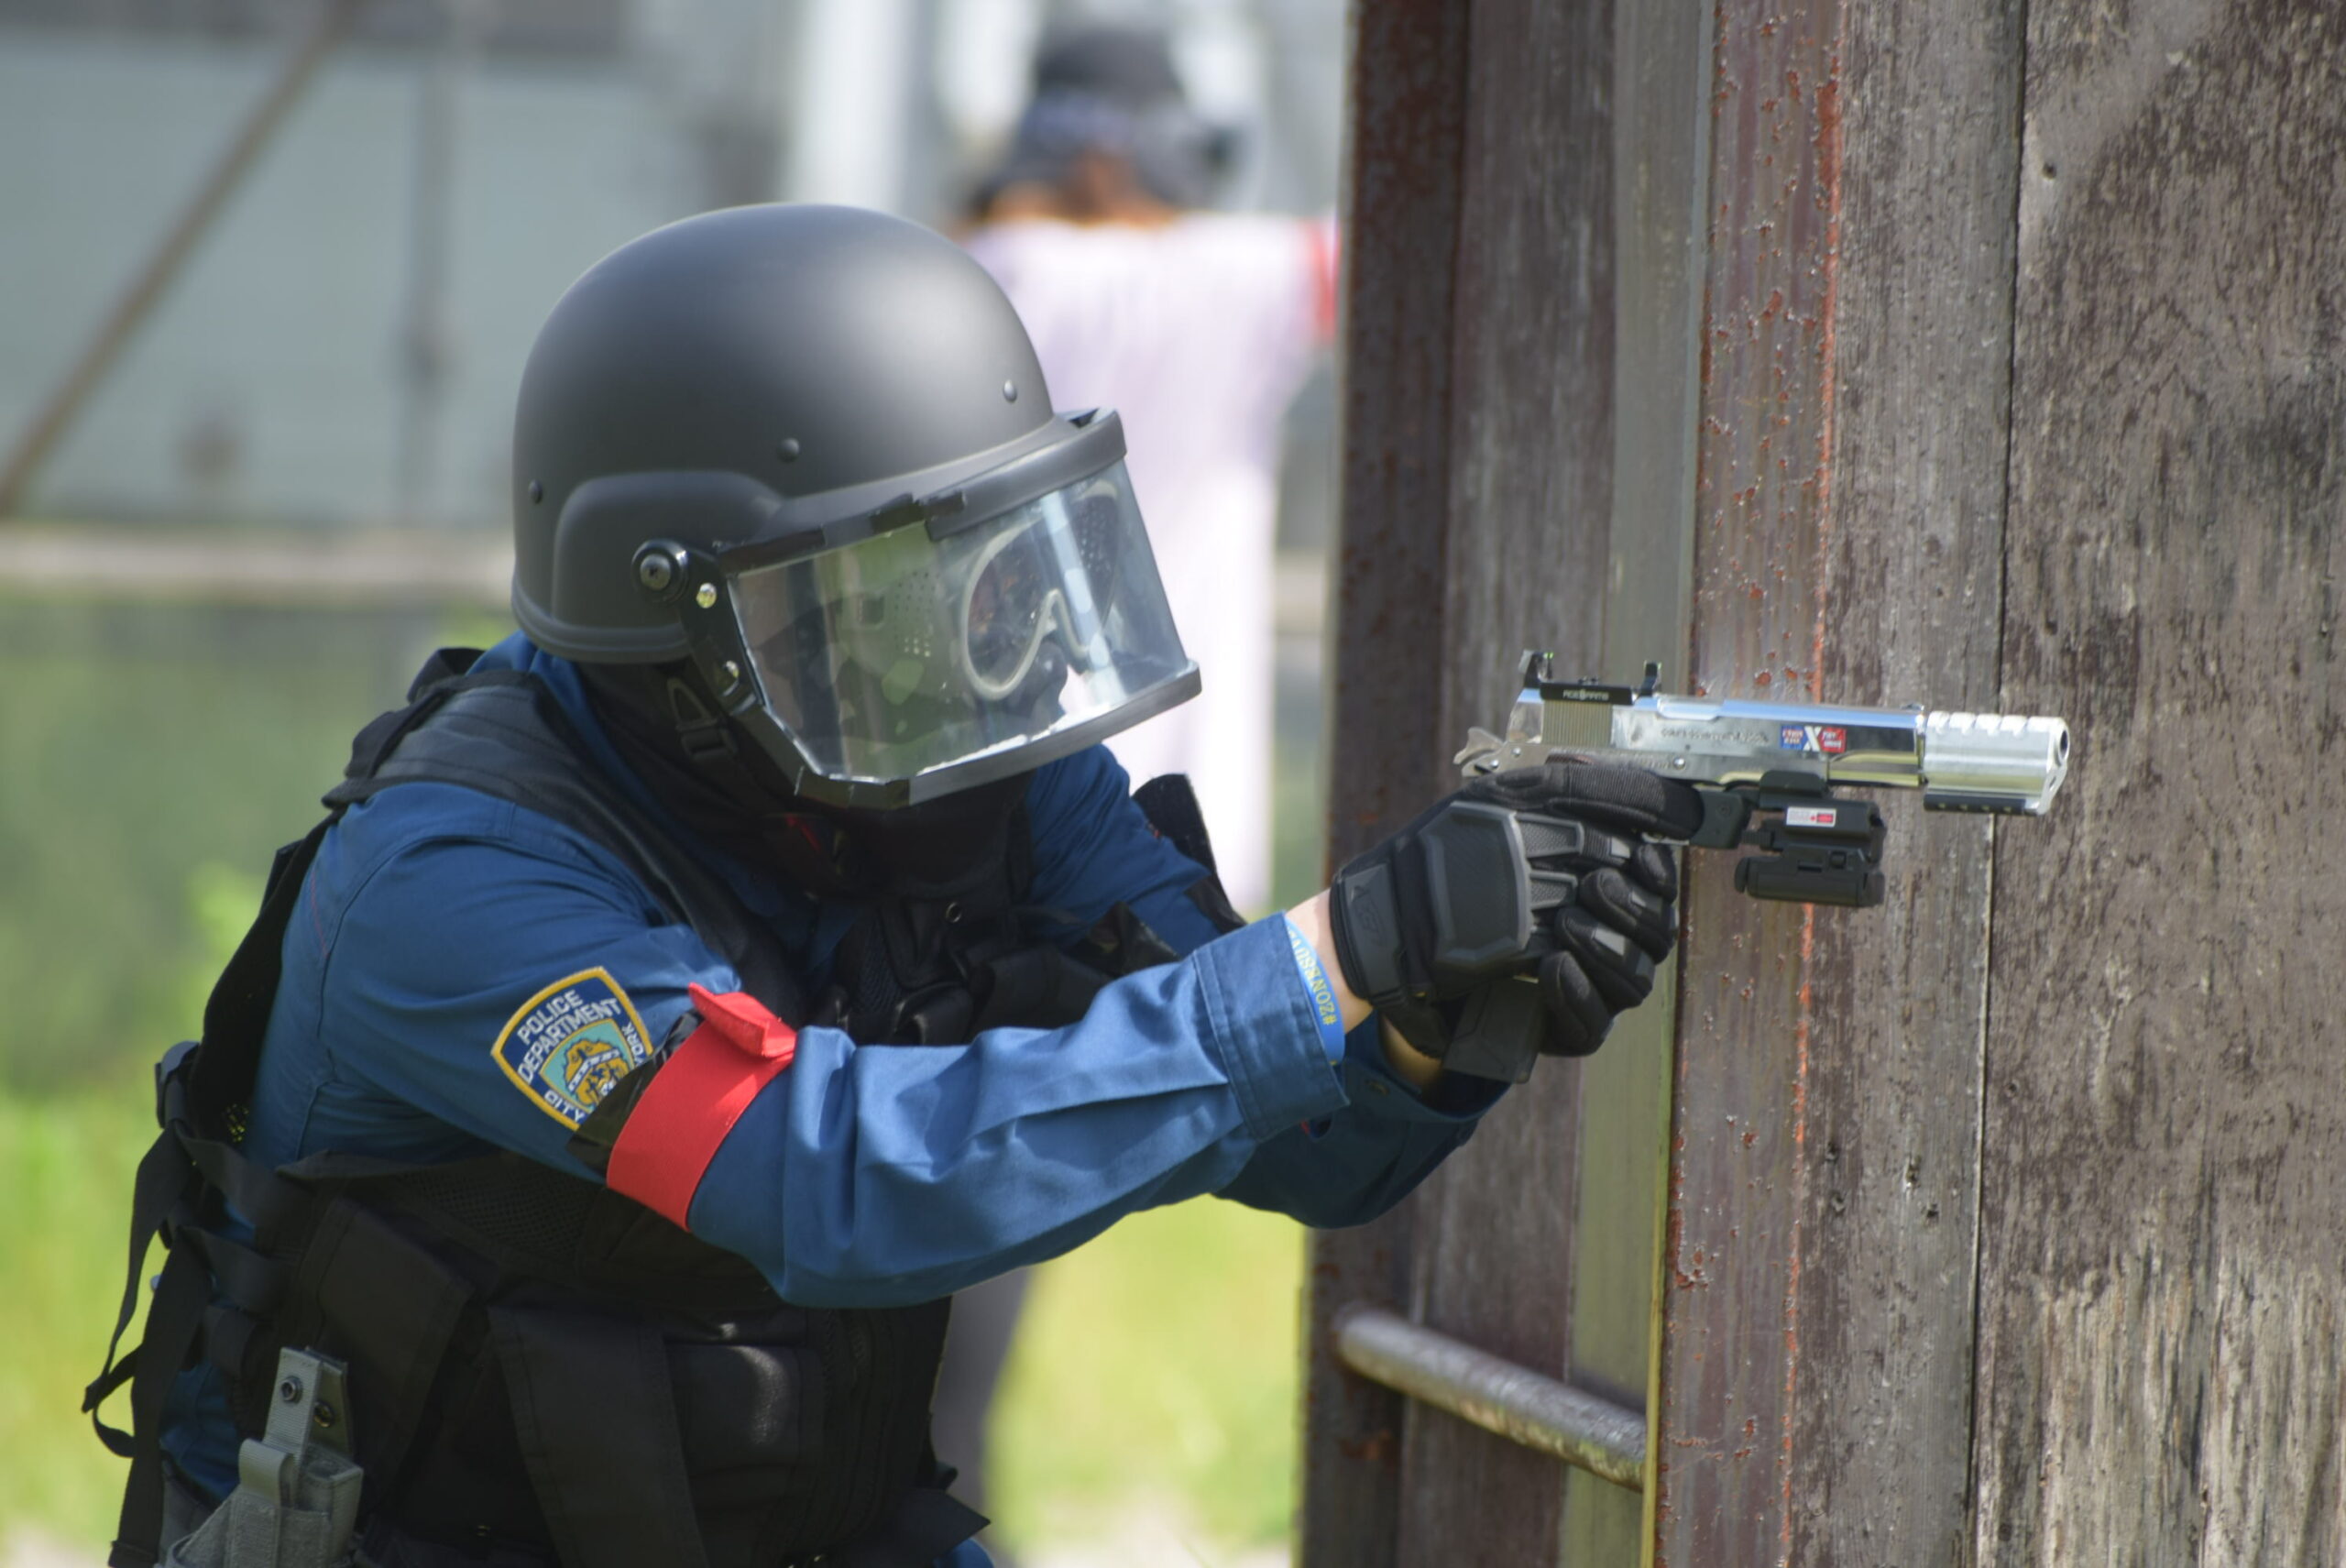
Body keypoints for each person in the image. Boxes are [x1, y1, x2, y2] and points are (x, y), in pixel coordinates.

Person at [87, 203, 1697, 1568]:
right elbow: (828, 1179)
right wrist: (1340, 947)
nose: (963, 651)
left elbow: (1292, 1130)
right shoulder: (458, 881)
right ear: (681, 623)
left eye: (984, 574)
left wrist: (1430, 1010)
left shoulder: (959, 776)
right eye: (879, 601)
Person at [961, 23, 1338, 919]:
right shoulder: (1224, 278)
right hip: (1185, 817)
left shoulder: (972, 274)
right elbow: (1393, 235)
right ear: (1106, 158)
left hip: (998, 815)